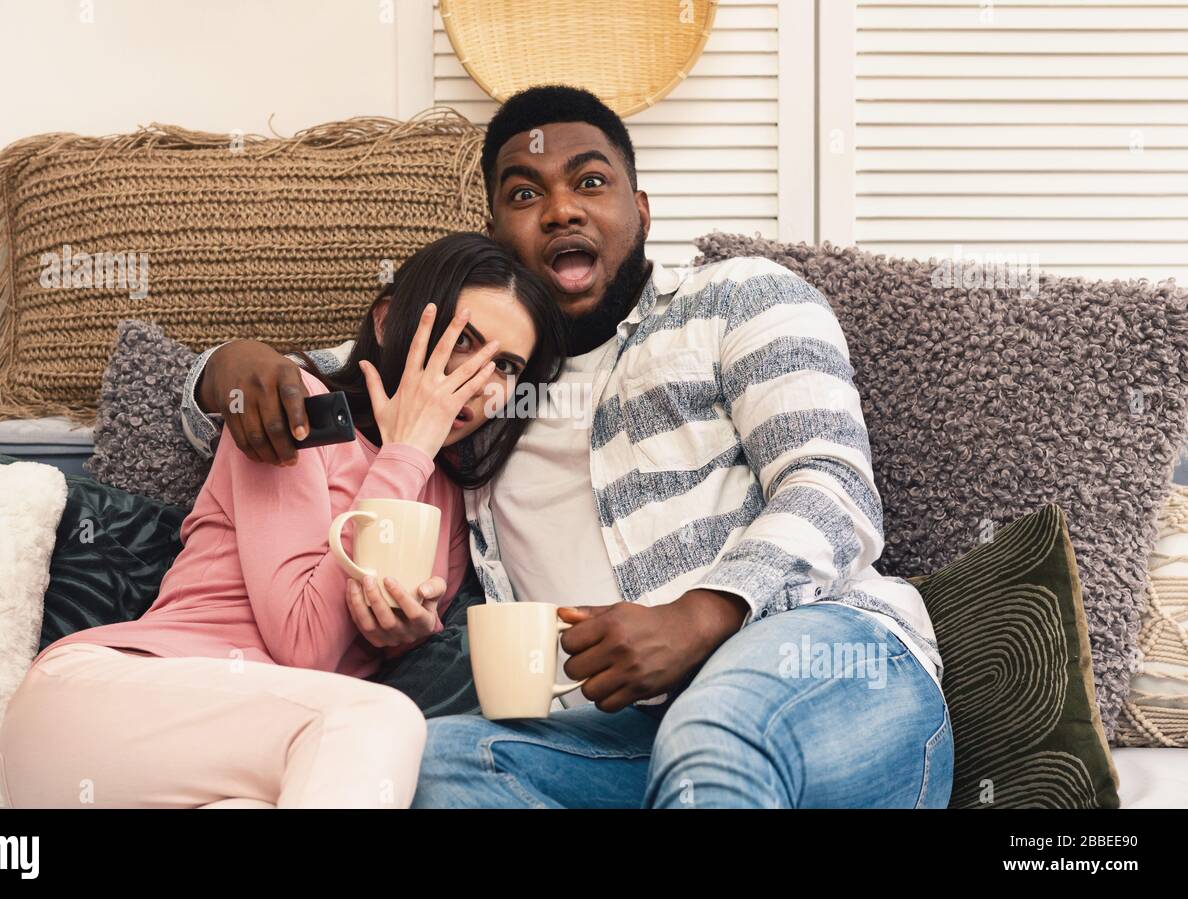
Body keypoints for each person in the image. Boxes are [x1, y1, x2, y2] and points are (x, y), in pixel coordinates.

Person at [178, 85, 954, 809]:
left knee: (713, 729)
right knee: (435, 760)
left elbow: (830, 486)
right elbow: (319, 391)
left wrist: (698, 617)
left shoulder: (736, 297)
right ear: (494, 237)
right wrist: (227, 366)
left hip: (822, 666)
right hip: (618, 734)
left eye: (590, 182)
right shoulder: (467, 381)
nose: (559, 210)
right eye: (524, 193)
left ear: (641, 210)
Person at [0, 232, 566, 809]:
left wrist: (406, 639)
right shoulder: (296, 411)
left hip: (236, 759)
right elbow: (305, 644)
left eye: (506, 366)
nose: (476, 378)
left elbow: (339, 661)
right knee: (383, 719)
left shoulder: (450, 505)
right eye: (460, 340)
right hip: (100, 707)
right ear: (392, 323)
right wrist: (406, 453)